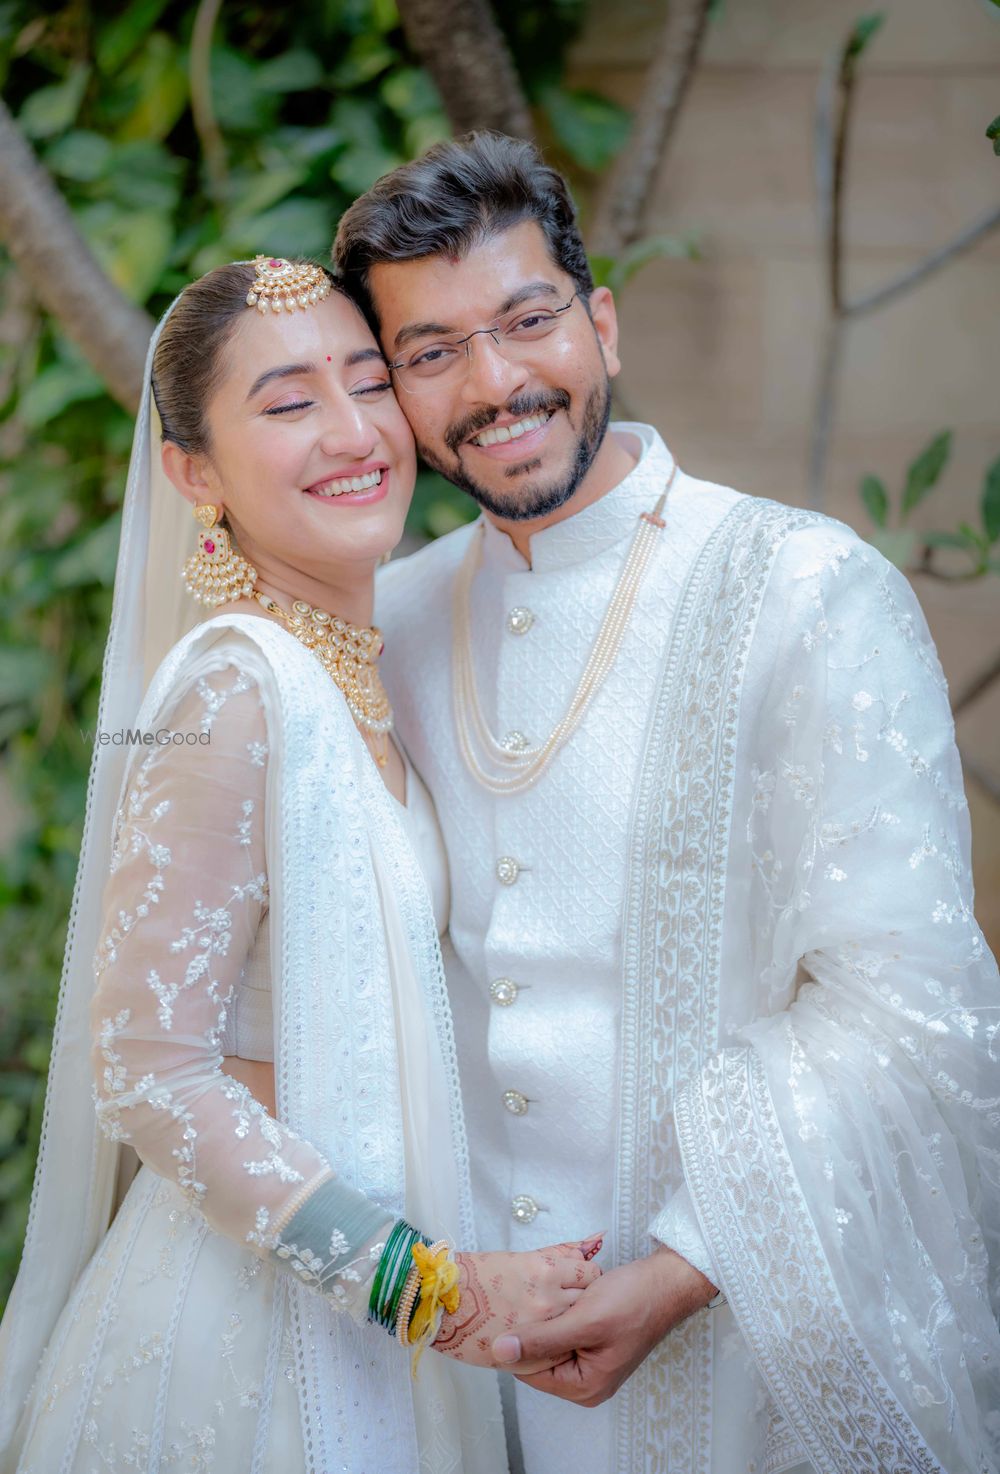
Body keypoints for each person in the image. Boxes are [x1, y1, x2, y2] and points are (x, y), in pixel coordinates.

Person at [334, 134, 1000, 1474]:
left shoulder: (807, 591)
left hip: (746, 1342)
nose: (495, 383)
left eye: (529, 321)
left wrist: (691, 1261)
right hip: (454, 1367)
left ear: (603, 324)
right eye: (433, 350)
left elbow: (909, 999)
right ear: (391, 390)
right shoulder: (382, 625)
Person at [0, 256, 606, 1474]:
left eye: (369, 383)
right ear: (193, 472)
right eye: (287, 403)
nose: (353, 431)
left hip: (368, 1321)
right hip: (247, 1343)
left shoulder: (358, 673)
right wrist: (431, 1292)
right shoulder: (233, 687)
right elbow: (148, 1068)